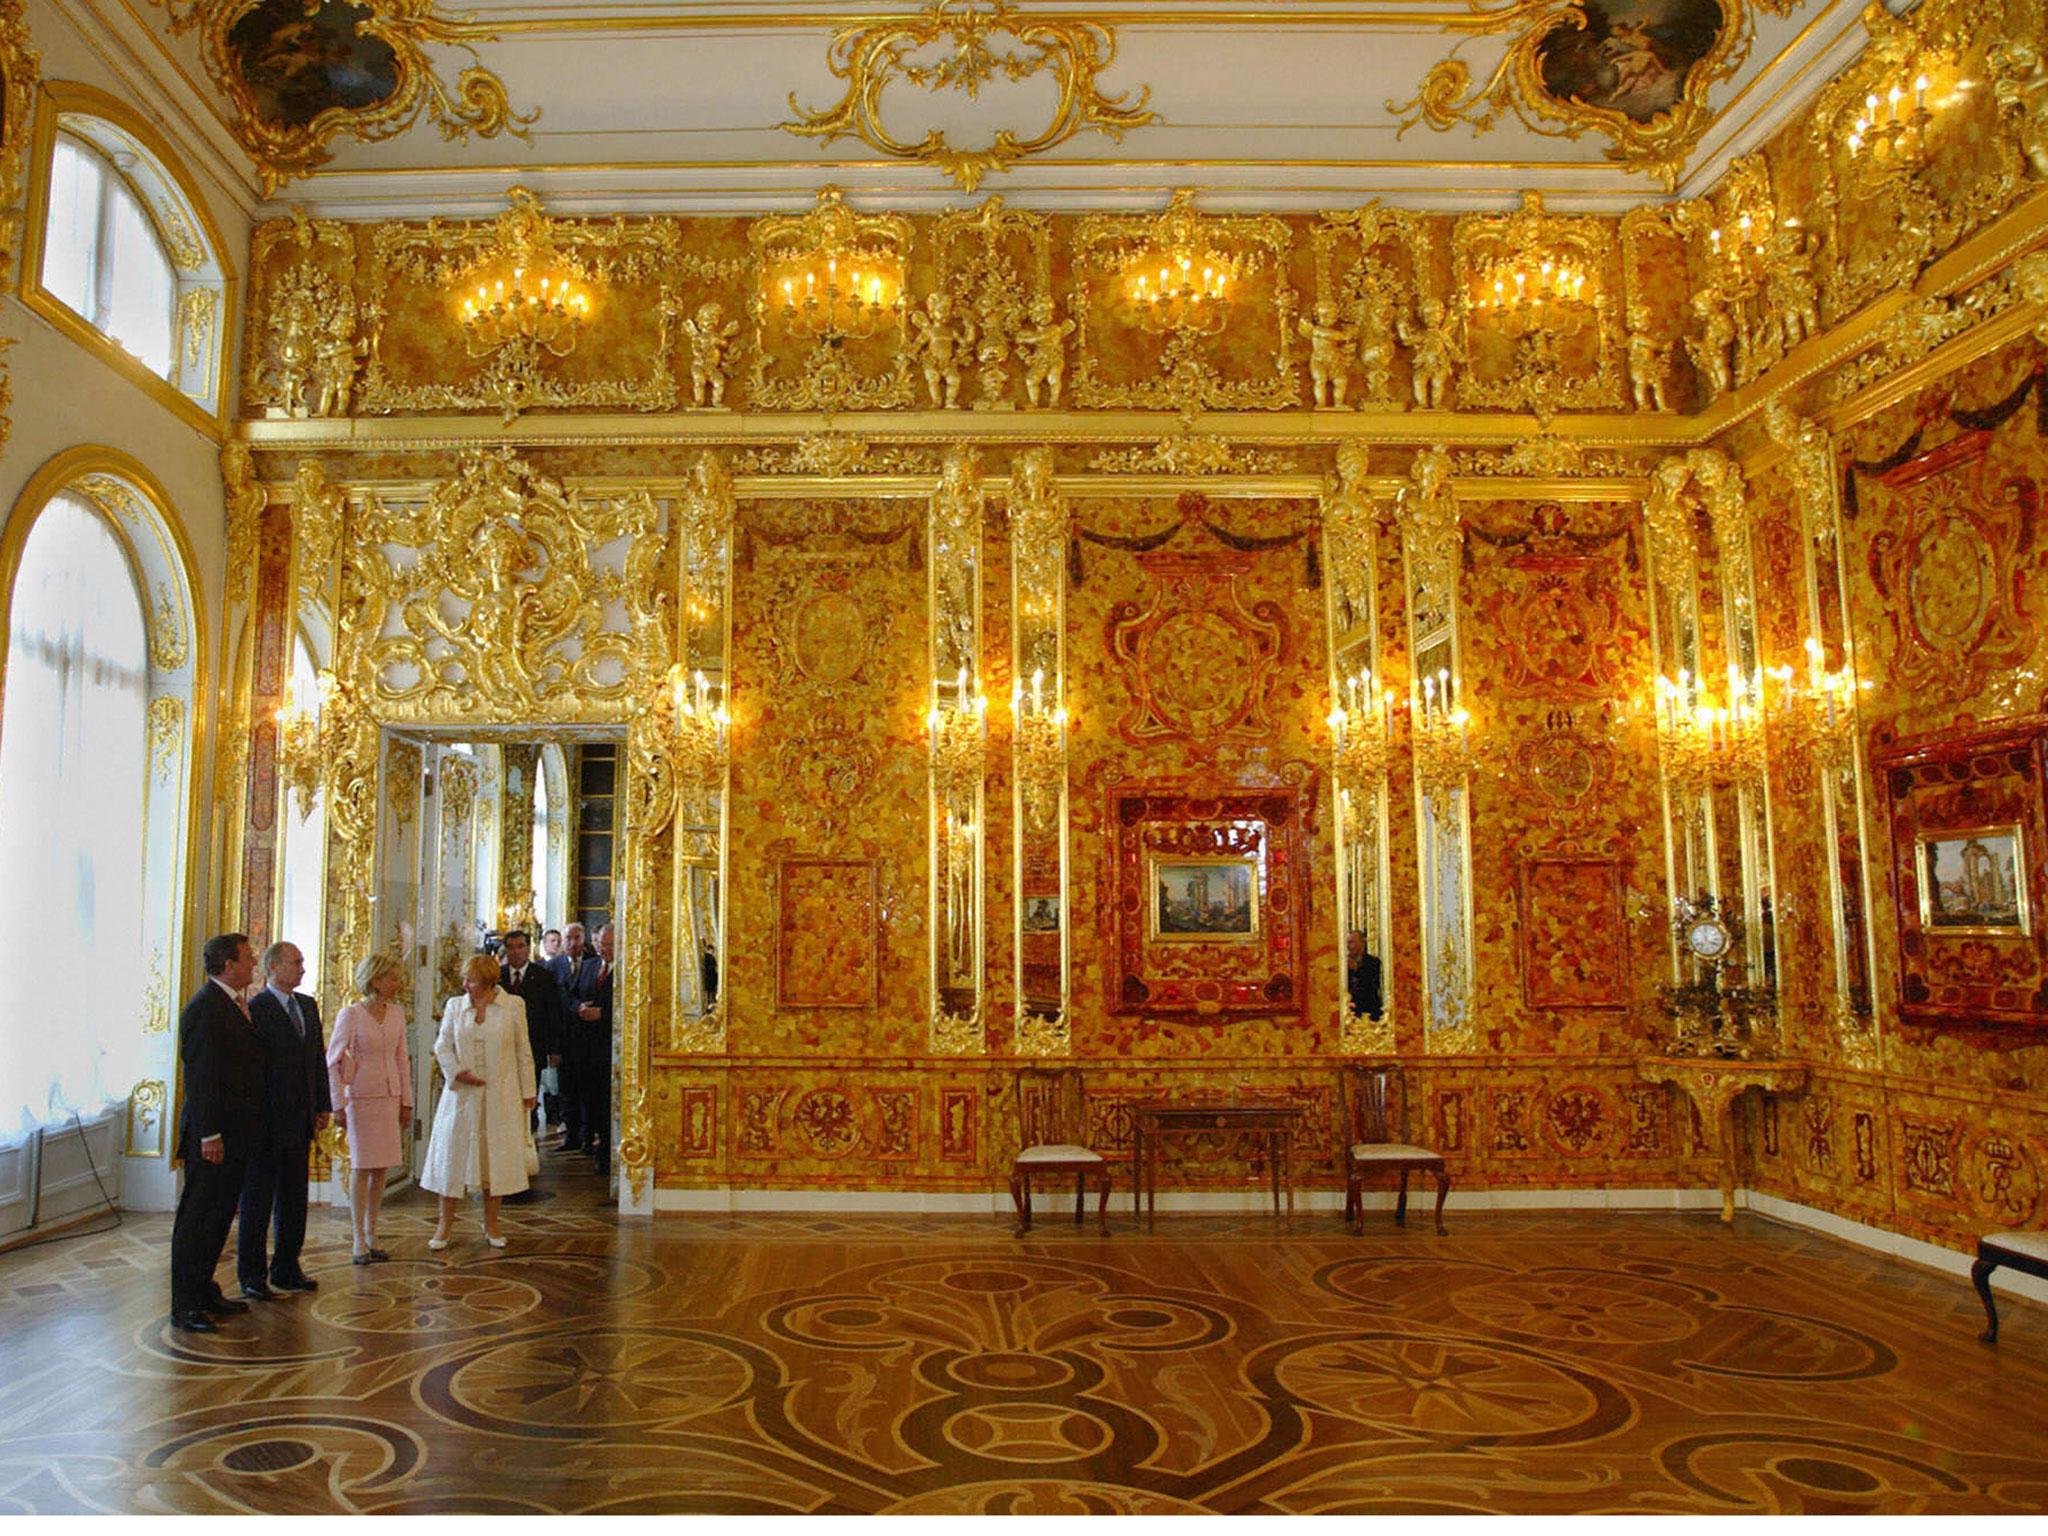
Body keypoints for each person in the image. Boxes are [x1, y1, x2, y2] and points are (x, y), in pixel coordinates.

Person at [168, 933, 265, 1333]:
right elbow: (201, 1078)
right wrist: (209, 1134)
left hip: (235, 1133)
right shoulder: (205, 1008)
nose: (253, 963)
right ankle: (185, 1303)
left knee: (219, 1215)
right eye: (248, 958)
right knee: (198, 1217)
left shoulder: (234, 1004)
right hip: (213, 1136)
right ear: (228, 965)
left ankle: (204, 1288)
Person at [421, 952, 537, 1248]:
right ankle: (443, 1227)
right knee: (453, 1158)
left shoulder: (513, 1006)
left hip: (501, 1095)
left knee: (493, 1161)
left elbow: (524, 1051)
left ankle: (492, 1225)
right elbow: (442, 1046)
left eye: (470, 980)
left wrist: (528, 1092)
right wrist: (458, 1073)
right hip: (461, 1096)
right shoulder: (455, 1006)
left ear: (486, 982)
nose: (465, 985)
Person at [237, 941, 331, 1298]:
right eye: (296, 962)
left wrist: (321, 1104)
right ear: (273, 967)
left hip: (301, 1121)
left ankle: (287, 1267)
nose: (302, 968)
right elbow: (252, 1070)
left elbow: (316, 1061)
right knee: (258, 1202)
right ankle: (252, 1276)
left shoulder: (307, 1005)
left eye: (303, 962)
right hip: (266, 1124)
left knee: (294, 1199)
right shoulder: (256, 1008)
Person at [326, 951, 413, 1265]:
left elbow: (403, 1060)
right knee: (361, 1167)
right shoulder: (351, 1015)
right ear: (375, 980)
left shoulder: (397, 1014)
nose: (397, 982)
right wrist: (337, 1104)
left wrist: (407, 1101)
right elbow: (332, 1061)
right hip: (360, 1098)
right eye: (391, 977)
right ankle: (357, 1240)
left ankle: (372, 1232)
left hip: (389, 1097)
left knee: (381, 1169)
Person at [499, 929, 563, 1197]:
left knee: (529, 1097)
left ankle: (528, 1148)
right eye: (511, 947)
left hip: (533, 1050)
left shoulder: (543, 976)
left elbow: (553, 1014)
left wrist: (555, 1049)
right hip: (502, 1051)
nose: (516, 951)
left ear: (528, 948)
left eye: (521, 946)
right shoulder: (498, 977)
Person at [572, 925, 616, 1181]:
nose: (604, 949)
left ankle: (607, 1154)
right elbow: (570, 994)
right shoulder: (589, 966)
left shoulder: (627, 969)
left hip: (611, 1048)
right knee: (590, 1101)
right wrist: (579, 1007)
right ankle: (592, 1142)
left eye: (609, 945)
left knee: (607, 1104)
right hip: (586, 1048)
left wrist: (603, 1014)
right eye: (601, 944)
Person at [551, 924, 601, 1148]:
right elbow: (556, 999)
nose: (572, 942)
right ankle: (571, 1135)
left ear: (584, 939)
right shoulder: (553, 966)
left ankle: (587, 1136)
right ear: (562, 940)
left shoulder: (594, 963)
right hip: (564, 1036)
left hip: (589, 1037)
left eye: (577, 937)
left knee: (587, 1089)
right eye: (568, 938)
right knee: (566, 1089)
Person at [1346, 929, 1384, 1022]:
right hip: (1349, 1011)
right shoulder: (1341, 964)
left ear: (1362, 943)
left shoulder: (1373, 962)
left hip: (1370, 1010)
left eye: (1351, 942)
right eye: (1347, 943)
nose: (1348, 946)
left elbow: (1371, 985)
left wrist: (1356, 970)